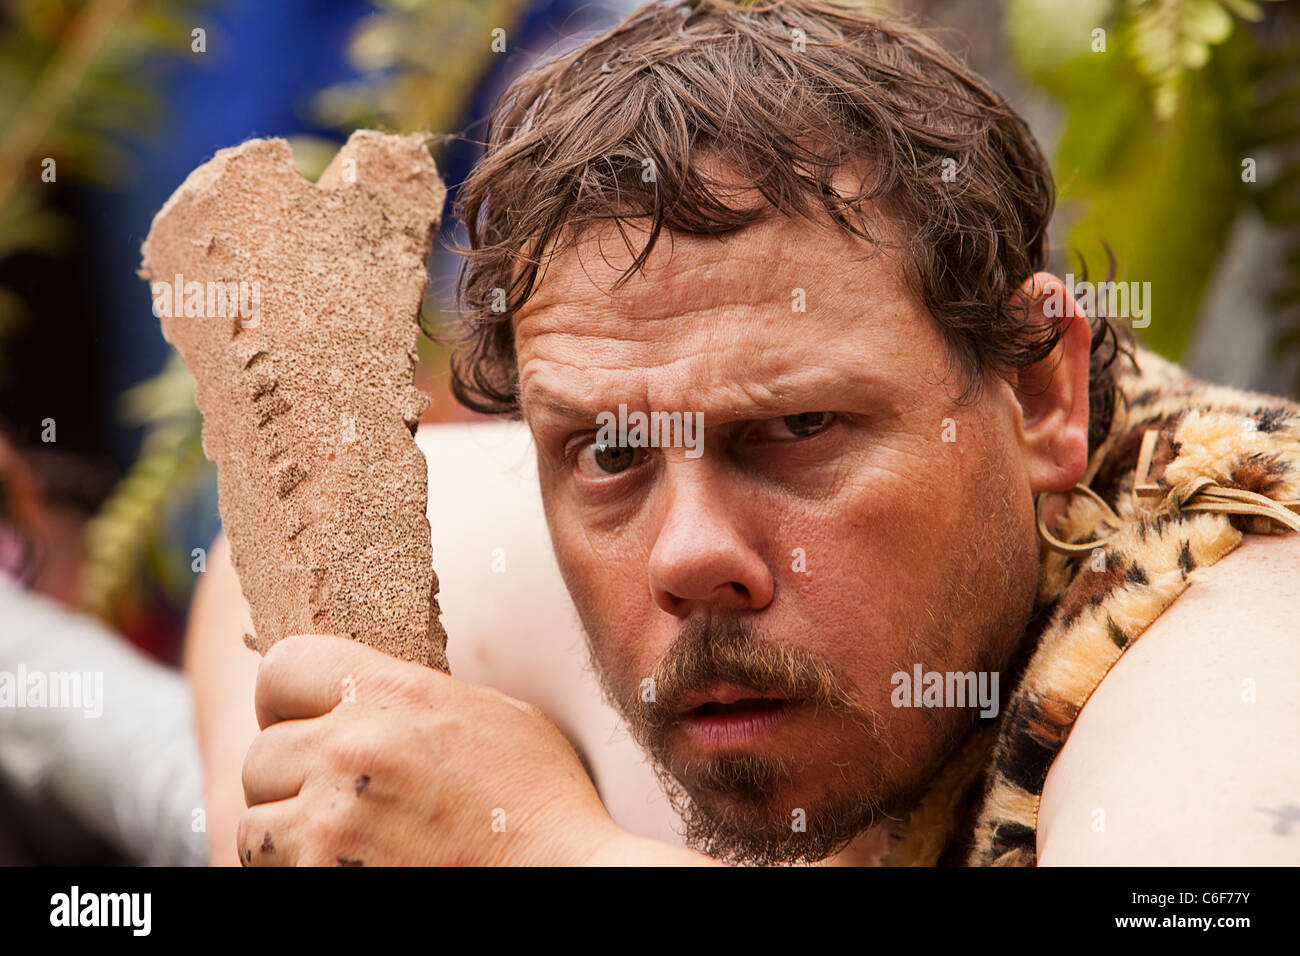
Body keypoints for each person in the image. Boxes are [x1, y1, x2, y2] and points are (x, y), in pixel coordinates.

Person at [190, 0, 1300, 866]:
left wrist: (539, 842)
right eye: (611, 449)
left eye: (798, 426)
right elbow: (274, 565)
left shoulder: (1236, 618)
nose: (687, 556)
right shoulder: (613, 521)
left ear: (1040, 398)